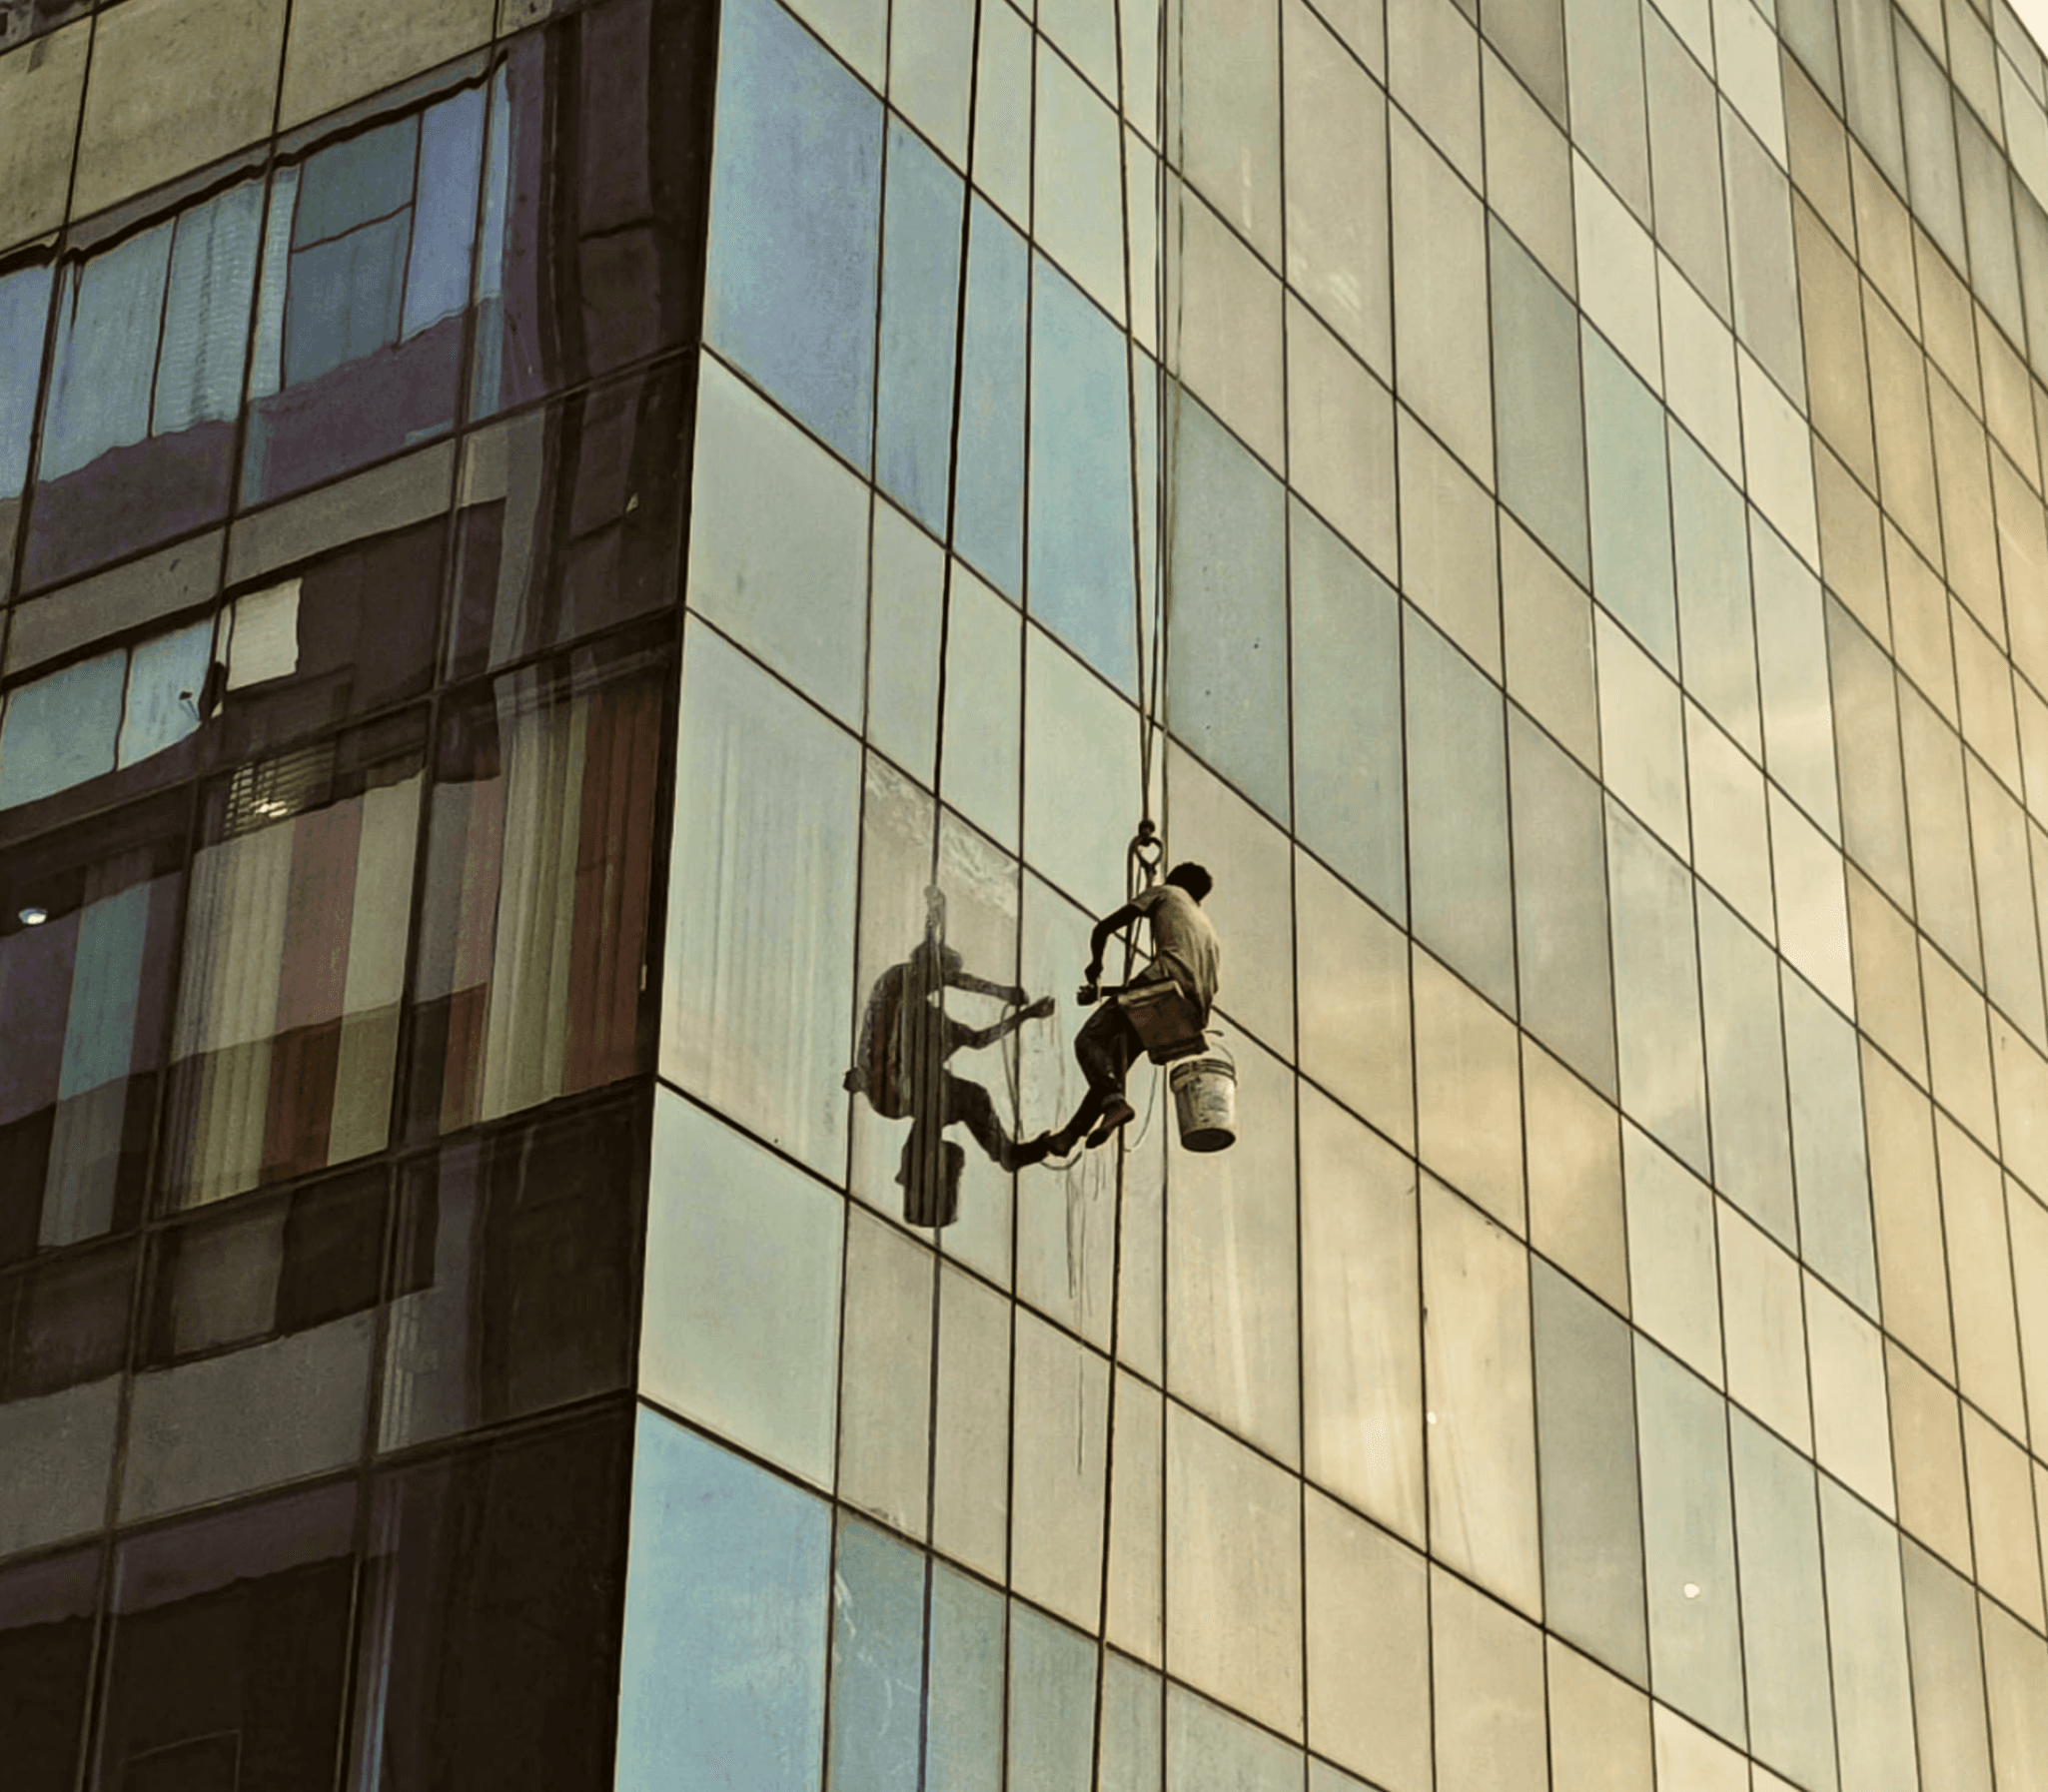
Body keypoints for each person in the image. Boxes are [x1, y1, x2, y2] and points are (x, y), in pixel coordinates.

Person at [843, 938, 1057, 1223]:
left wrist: (1022, 1011)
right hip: (893, 1088)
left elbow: (979, 1038)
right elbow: (875, 1031)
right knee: (952, 1096)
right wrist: (866, 1074)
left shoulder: (934, 1020)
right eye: (941, 980)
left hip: (902, 1089)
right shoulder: (898, 986)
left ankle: (999, 1155)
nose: (942, 986)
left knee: (968, 1097)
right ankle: (934, 1162)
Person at [1036, 862, 1220, 1156]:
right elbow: (1179, 976)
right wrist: (1102, 992)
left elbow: (1103, 929)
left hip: (1158, 991)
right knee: (1114, 1064)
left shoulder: (1166, 892)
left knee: (1089, 1041)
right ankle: (1071, 1135)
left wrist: (1095, 966)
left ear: (1174, 880)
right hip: (1183, 1011)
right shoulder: (1208, 931)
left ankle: (1114, 1105)